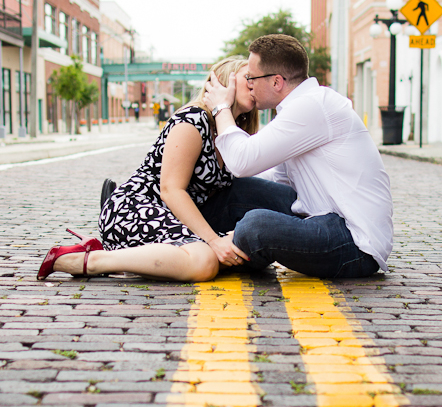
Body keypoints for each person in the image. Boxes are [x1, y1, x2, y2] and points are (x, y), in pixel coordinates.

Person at [36, 56, 295, 282]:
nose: (254, 84)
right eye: (247, 77)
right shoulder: (194, 119)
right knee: (204, 262)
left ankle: (132, 258)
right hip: (137, 206)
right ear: (223, 81)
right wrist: (214, 240)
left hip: (175, 216)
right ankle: (89, 260)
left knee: (240, 257)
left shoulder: (233, 131)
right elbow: (171, 190)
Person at [203, 34, 393, 279]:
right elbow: (275, 177)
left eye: (251, 77)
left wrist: (221, 108)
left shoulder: (312, 106)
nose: (248, 84)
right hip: (319, 215)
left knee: (255, 225)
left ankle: (227, 250)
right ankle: (189, 238)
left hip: (354, 242)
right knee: (236, 190)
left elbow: (242, 161)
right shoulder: (299, 107)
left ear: (276, 82)